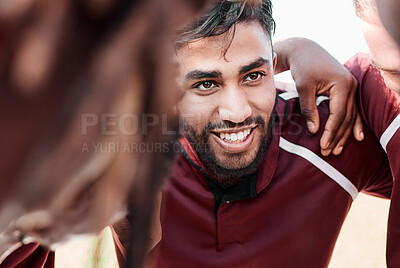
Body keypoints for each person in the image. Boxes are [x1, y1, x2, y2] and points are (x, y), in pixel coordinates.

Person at [140, 1, 394, 267]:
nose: (237, 112)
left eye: (253, 76)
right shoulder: (135, 159)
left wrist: (299, 48)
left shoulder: (331, 129)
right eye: (206, 84)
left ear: (273, 67)